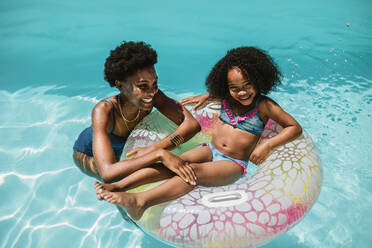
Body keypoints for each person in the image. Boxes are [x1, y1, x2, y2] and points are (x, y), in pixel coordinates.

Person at [94, 46, 302, 220]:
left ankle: (141, 202)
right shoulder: (227, 98)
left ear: (259, 80)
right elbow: (219, 93)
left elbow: (294, 127)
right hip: (209, 150)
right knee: (174, 162)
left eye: (248, 85)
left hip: (233, 163)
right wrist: (207, 96)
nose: (242, 92)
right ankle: (119, 185)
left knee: (190, 172)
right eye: (234, 88)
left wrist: (266, 145)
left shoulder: (264, 106)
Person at [73, 41, 200, 183]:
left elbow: (192, 125)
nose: (151, 92)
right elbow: (107, 173)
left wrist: (155, 148)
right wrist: (159, 155)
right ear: (120, 85)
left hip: (129, 146)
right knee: (123, 182)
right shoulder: (104, 111)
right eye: (142, 86)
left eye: (155, 84)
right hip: (89, 154)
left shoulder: (154, 96)